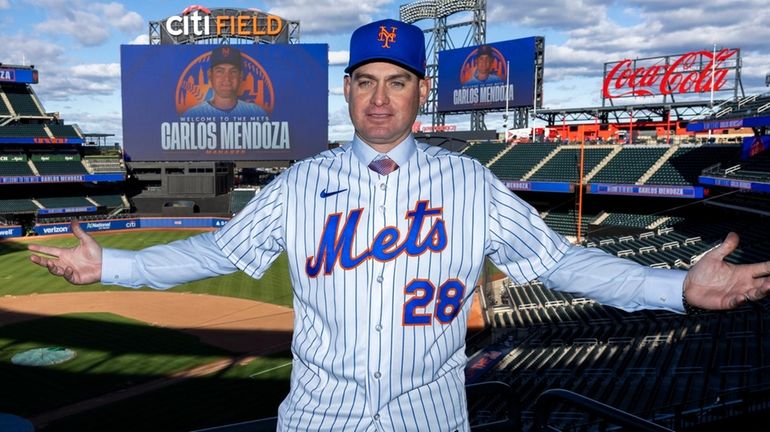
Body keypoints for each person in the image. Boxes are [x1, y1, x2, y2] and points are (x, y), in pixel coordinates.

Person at [29, 18, 770, 432]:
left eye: (398, 82)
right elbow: (214, 251)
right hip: (319, 423)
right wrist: (112, 268)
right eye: (365, 82)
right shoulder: (301, 183)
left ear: (421, 92)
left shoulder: (470, 182)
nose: (379, 99)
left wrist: (676, 288)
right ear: (347, 90)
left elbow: (562, 264)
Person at [182, 45, 267, 118]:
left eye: (233, 72)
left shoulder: (256, 113)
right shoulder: (193, 115)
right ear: (210, 75)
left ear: (240, 76)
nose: (227, 78)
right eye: (220, 71)